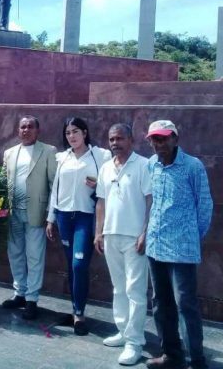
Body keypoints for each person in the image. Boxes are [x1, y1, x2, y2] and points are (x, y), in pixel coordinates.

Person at [145, 120, 213, 369]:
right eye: (154, 138)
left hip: (182, 249)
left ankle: (196, 360)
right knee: (160, 302)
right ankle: (171, 355)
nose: (158, 143)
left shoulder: (192, 166)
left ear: (175, 138)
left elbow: (204, 205)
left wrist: (192, 237)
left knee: (185, 304)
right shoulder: (151, 165)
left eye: (163, 138)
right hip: (156, 246)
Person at [46, 117, 111, 335]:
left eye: (75, 131)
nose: (71, 136)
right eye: (68, 133)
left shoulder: (100, 155)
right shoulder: (62, 157)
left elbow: (112, 182)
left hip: (86, 216)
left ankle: (80, 314)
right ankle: (76, 311)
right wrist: (50, 218)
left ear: (85, 132)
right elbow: (56, 188)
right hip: (64, 216)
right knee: (71, 265)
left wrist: (98, 183)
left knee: (78, 265)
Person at [94, 123, 152, 366]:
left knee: (135, 291)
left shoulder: (143, 165)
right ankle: (123, 331)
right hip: (111, 236)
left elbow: (151, 201)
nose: (115, 143)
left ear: (131, 139)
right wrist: (99, 232)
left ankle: (134, 342)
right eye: (111, 139)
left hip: (134, 238)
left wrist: (145, 233)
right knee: (118, 288)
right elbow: (101, 202)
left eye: (119, 138)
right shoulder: (106, 167)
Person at [0, 116, 57, 320]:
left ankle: (32, 299)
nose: (26, 130)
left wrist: (51, 215)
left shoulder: (48, 151)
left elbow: (54, 185)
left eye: (30, 126)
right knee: (15, 253)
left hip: (36, 213)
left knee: (34, 256)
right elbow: (3, 182)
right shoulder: (9, 153)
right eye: (22, 127)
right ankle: (20, 294)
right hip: (13, 213)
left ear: (37, 130)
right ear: (18, 131)